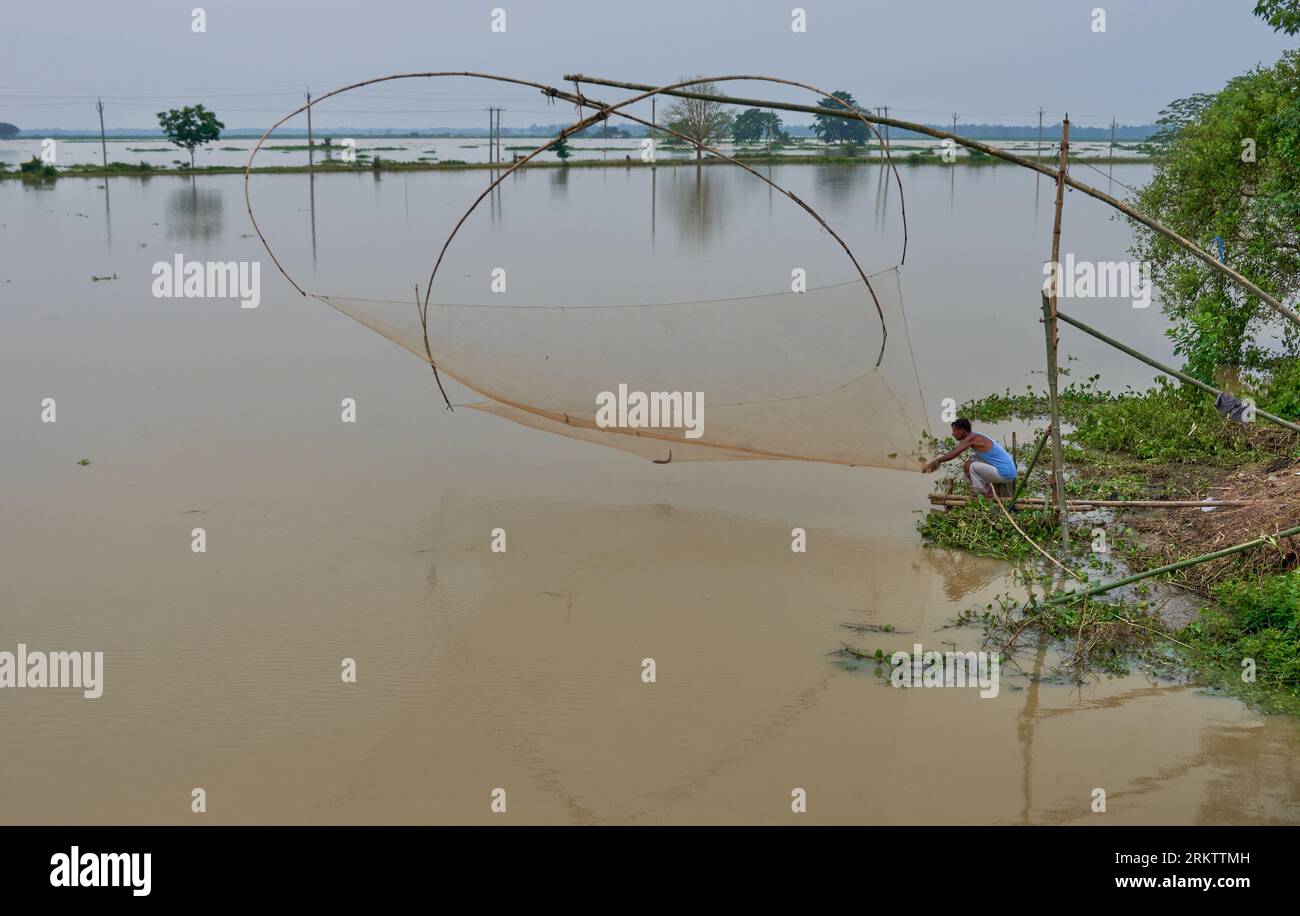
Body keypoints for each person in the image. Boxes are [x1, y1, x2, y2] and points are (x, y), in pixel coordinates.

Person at [922, 418, 1017, 496]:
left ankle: (986, 492)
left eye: (954, 431)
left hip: (1006, 473)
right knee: (972, 459)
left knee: (970, 466)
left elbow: (953, 454)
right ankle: (986, 489)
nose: (952, 434)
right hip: (1009, 472)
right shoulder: (976, 436)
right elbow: (955, 450)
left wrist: (937, 461)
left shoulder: (972, 438)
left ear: (962, 431)